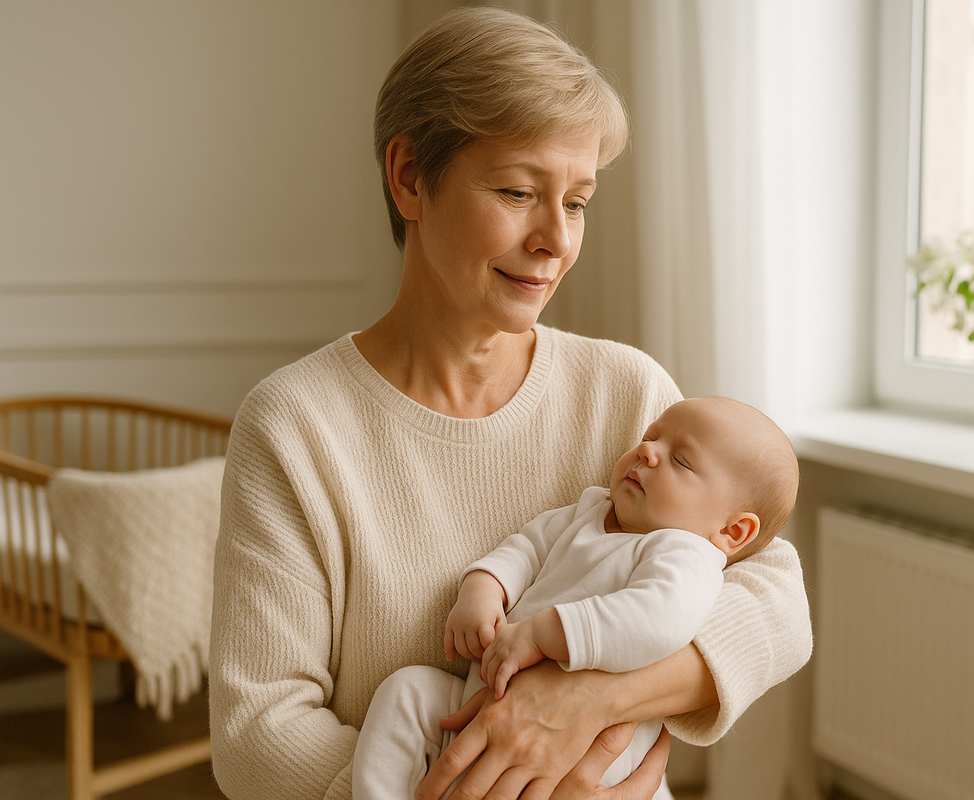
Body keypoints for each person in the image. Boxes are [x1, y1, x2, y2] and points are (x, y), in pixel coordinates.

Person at [208, 7, 813, 800]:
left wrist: (597, 699)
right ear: (409, 177)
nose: (556, 240)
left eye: (579, 201)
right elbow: (259, 733)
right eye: (519, 191)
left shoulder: (628, 395)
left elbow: (774, 598)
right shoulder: (295, 427)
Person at [353, 397, 800, 800]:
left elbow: (660, 618)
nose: (648, 451)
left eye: (680, 460)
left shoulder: (687, 553)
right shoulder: (590, 510)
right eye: (650, 437)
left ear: (731, 531)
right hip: (479, 702)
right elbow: (526, 548)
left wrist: (546, 633)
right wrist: (484, 588)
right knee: (406, 690)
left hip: (587, 750)